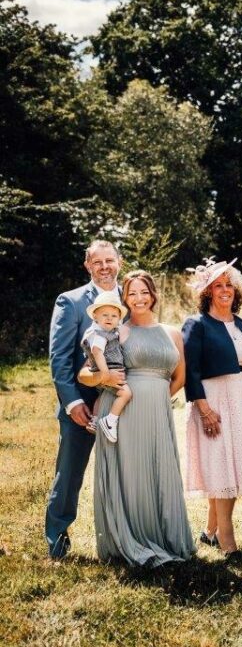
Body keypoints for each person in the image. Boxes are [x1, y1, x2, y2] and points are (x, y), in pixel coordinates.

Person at [84, 271, 195, 566]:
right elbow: (85, 372)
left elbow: (180, 377)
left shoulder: (172, 332)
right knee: (131, 474)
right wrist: (105, 377)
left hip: (158, 411)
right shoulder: (116, 332)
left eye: (143, 291)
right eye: (131, 293)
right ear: (124, 299)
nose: (138, 298)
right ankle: (130, 540)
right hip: (125, 412)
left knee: (158, 470)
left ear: (153, 294)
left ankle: (163, 537)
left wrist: (156, 397)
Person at [182, 259, 242, 554]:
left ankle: (209, 531)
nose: (224, 290)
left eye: (229, 284)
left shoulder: (241, 324)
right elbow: (190, 371)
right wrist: (204, 410)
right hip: (213, 402)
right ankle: (226, 539)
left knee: (233, 467)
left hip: (240, 402)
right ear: (207, 291)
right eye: (218, 285)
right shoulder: (197, 325)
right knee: (220, 468)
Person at [46, 239, 121, 559]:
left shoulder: (133, 296)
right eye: (97, 262)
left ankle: (123, 537)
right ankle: (57, 537)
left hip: (122, 403)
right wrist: (73, 403)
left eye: (110, 260)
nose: (105, 267)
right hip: (83, 405)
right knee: (70, 472)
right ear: (87, 266)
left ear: (119, 262)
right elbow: (60, 358)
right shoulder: (71, 301)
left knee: (124, 472)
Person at [81, 291, 132, 443]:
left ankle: (95, 419)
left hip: (106, 371)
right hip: (107, 371)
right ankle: (110, 421)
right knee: (125, 393)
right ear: (95, 316)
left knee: (101, 396)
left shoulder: (109, 332)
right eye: (105, 315)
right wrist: (106, 374)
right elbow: (97, 352)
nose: (109, 319)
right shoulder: (99, 334)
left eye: (114, 316)